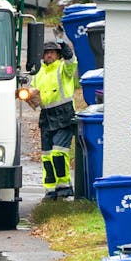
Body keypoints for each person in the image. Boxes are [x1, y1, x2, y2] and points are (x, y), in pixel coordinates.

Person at [33, 39, 78, 198]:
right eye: (46, 52)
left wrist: (64, 46)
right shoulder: (39, 72)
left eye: (52, 52)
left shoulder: (63, 68)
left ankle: (64, 188)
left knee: (58, 153)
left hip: (63, 115)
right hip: (46, 116)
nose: (49, 55)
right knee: (46, 156)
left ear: (58, 54)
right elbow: (33, 91)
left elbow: (71, 61)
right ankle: (50, 190)